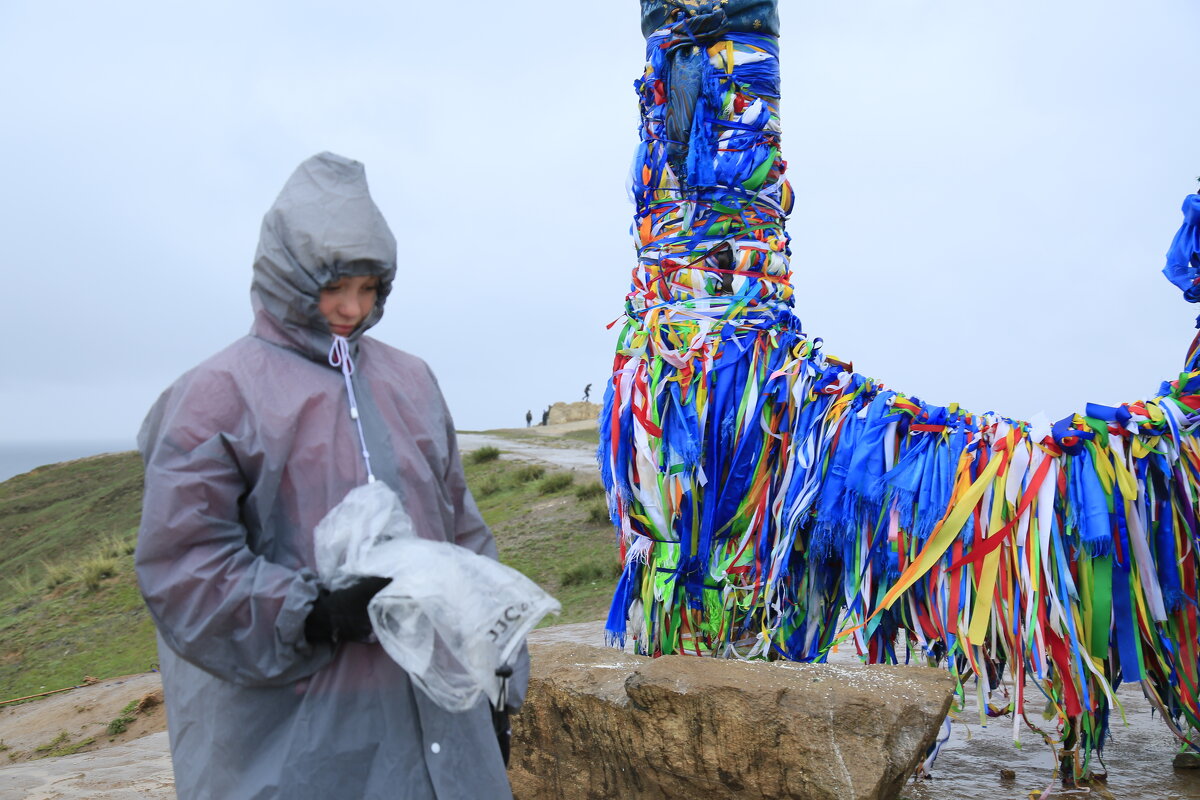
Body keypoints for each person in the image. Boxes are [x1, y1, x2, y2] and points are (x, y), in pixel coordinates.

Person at [135, 152, 527, 800]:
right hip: (296, 739)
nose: (352, 307)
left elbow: (460, 529)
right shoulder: (214, 397)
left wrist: (497, 665)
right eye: (335, 286)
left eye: (370, 288)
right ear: (287, 275)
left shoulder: (411, 381)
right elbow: (183, 569)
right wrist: (315, 612)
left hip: (440, 721)